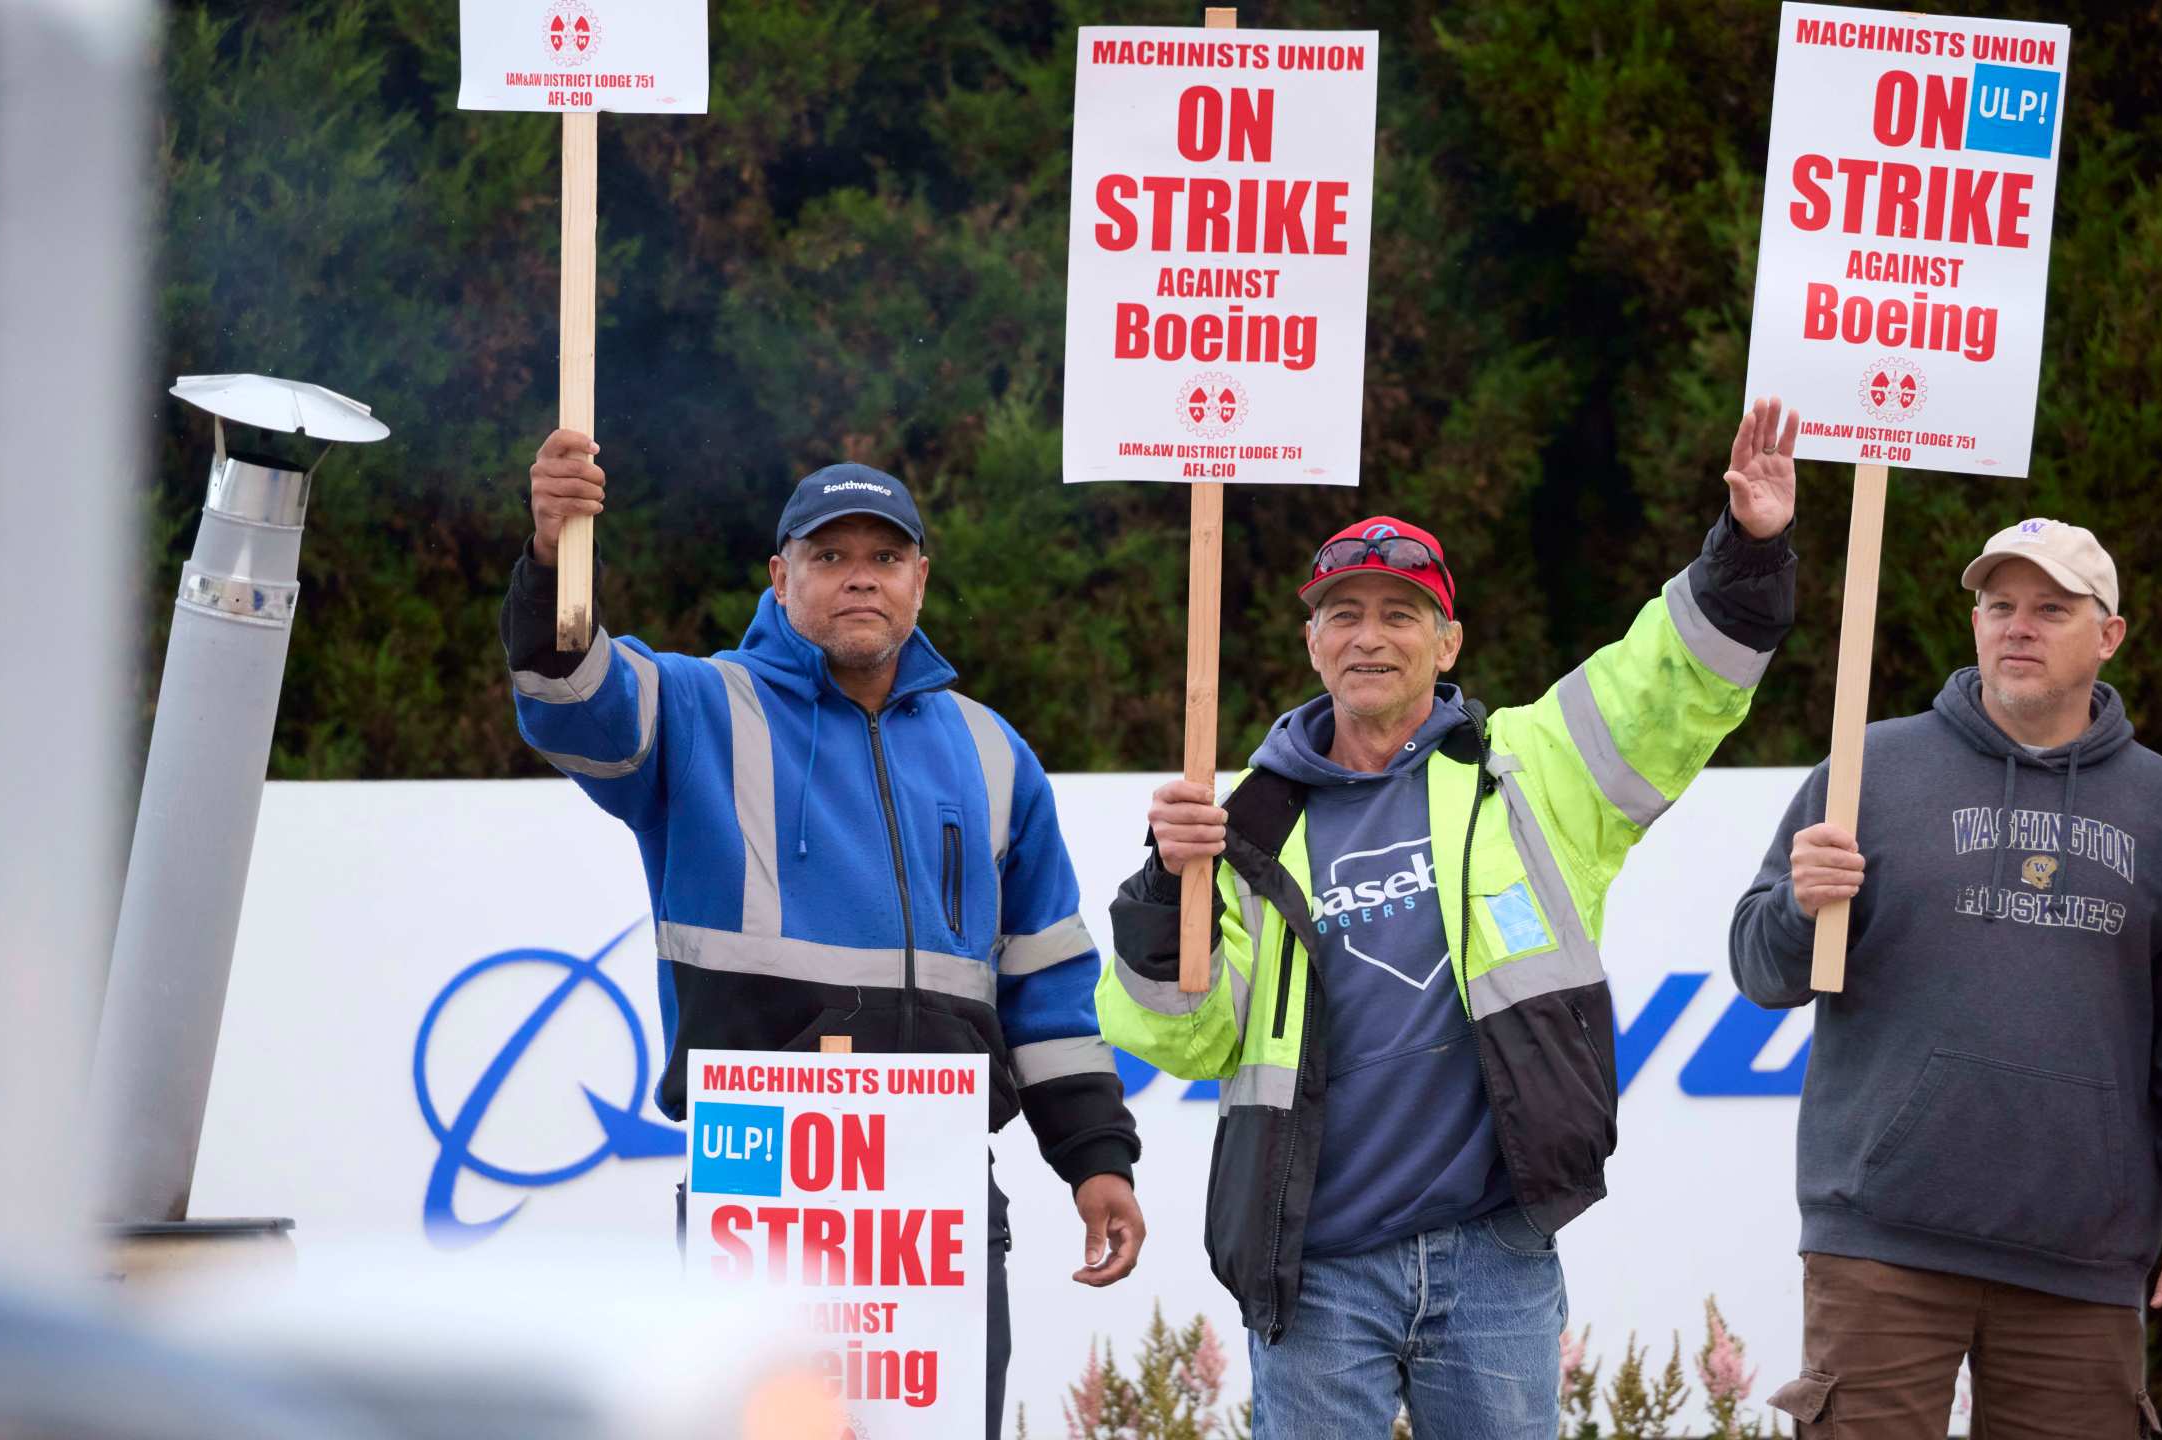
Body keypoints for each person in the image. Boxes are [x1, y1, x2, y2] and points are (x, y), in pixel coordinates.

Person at [1099, 399, 1804, 1439]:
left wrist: (1746, 549)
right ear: (1310, 641)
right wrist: (1163, 891)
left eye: (1398, 613)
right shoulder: (1240, 818)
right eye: (1344, 613)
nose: (1369, 636)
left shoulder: (1530, 769)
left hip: (1494, 1258)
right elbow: (1185, 1037)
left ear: (1448, 638)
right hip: (1316, 1267)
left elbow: (1674, 684)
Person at [502, 431, 1145, 1439]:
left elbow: (1045, 982)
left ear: (920, 579)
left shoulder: (992, 750)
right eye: (830, 557)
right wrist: (553, 557)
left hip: (937, 1195)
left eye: (884, 559)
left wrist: (1096, 1156)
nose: (860, 580)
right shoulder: (698, 703)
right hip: (759, 1184)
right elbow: (568, 702)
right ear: (780, 574)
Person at [1730, 516, 2162, 1438]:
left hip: (2081, 1266)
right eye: (1998, 605)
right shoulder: (1868, 771)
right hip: (1882, 1246)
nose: (2018, 626)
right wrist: (1795, 909)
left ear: (2109, 634)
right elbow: (1760, 970)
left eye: (2051, 609)